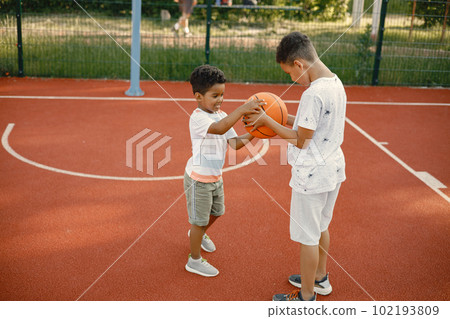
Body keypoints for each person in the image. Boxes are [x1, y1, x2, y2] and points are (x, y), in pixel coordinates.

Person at [245, 31, 346, 301]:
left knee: (308, 237)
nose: (292, 79)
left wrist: (267, 122)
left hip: (312, 175)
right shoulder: (335, 82)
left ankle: (306, 297)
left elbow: (301, 139)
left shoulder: (313, 94)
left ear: (299, 64)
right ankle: (320, 278)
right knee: (321, 227)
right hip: (333, 168)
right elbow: (307, 126)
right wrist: (273, 117)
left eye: (290, 73)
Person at [184, 65, 264, 277]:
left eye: (222, 95)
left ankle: (198, 234)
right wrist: (243, 109)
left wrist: (257, 132)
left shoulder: (222, 115)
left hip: (215, 177)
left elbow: (235, 143)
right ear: (198, 97)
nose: (220, 100)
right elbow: (219, 129)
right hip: (198, 179)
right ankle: (194, 260)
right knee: (198, 220)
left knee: (217, 212)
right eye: (215, 95)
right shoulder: (198, 118)